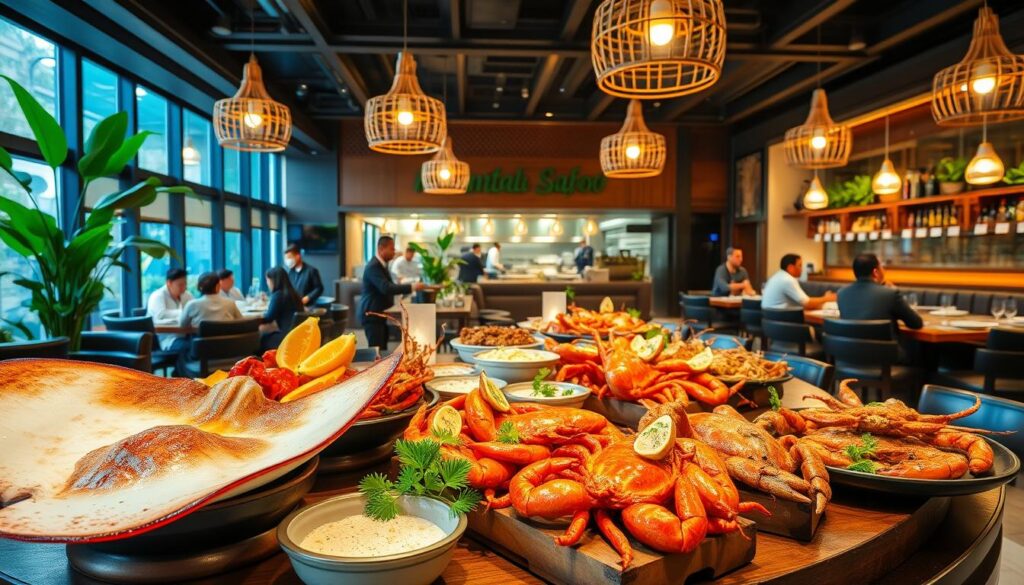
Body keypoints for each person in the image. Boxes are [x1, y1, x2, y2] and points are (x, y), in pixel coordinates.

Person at [360, 235, 429, 351]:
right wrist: (412, 286)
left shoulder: (382, 265)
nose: (394, 252)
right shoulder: (373, 266)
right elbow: (386, 288)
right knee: (377, 352)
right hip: (371, 314)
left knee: (382, 349)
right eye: (392, 249)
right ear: (381, 249)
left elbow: (391, 286)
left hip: (380, 313)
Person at [838, 253, 923, 330]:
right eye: (881, 266)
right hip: (884, 347)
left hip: (849, 347)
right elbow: (916, 323)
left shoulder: (842, 293)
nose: (884, 270)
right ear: (875, 272)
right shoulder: (890, 294)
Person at [762, 254, 836, 310]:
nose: (802, 269)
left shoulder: (776, 276)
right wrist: (827, 298)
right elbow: (807, 303)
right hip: (783, 321)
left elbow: (802, 303)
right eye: (799, 266)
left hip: (771, 322)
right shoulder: (788, 280)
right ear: (790, 267)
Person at [146, 267, 193, 355]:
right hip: (167, 339)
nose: (184, 287)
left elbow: (194, 311)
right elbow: (161, 315)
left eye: (185, 284)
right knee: (189, 348)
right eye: (180, 285)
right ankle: (182, 369)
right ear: (169, 283)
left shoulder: (187, 295)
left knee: (201, 345)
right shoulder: (158, 296)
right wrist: (184, 313)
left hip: (187, 335)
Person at [178, 272, 243, 329]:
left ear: (198, 287)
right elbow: (241, 321)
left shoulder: (192, 305)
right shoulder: (230, 303)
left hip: (200, 342)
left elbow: (182, 325)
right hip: (226, 342)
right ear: (218, 286)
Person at [261, 266, 304, 351]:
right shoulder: (294, 294)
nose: (267, 283)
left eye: (267, 280)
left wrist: (255, 319)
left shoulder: (278, 295)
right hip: (298, 336)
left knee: (261, 339)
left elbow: (269, 318)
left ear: (273, 280)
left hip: (286, 338)